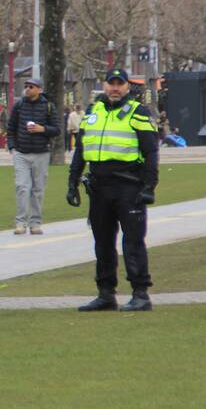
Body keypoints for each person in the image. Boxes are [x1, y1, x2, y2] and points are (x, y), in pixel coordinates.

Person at [67, 68, 158, 312]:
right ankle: (105, 293)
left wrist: (149, 186)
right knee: (103, 243)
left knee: (133, 242)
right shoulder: (92, 112)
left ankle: (140, 293)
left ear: (127, 87)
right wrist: (72, 182)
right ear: (104, 86)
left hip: (128, 185)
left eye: (120, 84)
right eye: (111, 84)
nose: (115, 88)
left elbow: (151, 152)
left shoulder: (138, 113)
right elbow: (81, 150)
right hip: (99, 187)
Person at [6, 77, 60, 235]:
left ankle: (35, 222)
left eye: (31, 86)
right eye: (26, 86)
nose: (28, 89)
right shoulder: (19, 105)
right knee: (22, 187)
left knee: (38, 189)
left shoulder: (49, 107)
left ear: (39, 89)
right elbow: (11, 128)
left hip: (41, 153)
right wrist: (12, 146)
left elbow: (57, 129)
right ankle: (20, 222)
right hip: (21, 153)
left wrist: (42, 129)